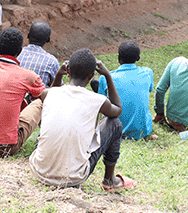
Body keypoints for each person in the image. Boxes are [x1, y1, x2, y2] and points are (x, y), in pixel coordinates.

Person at [29, 48, 137, 191]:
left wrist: (59, 74)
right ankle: (110, 180)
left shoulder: (47, 93)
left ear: (67, 71)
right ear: (92, 76)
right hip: (74, 177)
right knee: (115, 123)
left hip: (39, 170)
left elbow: (52, 93)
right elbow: (117, 109)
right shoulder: (98, 100)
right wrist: (107, 76)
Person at [0, 27, 61, 157]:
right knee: (40, 101)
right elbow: (41, 96)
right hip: (7, 148)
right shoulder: (28, 76)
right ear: (19, 51)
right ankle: (48, 139)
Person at [92, 41, 155, 140]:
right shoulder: (148, 72)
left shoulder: (106, 78)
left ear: (118, 58)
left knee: (102, 96)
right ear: (138, 58)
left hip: (114, 130)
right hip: (143, 131)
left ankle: (102, 90)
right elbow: (149, 89)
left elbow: (101, 106)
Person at [17, 21, 60, 87]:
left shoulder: (16, 53)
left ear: (28, 35)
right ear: (48, 40)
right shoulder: (52, 61)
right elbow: (58, 88)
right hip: (37, 96)